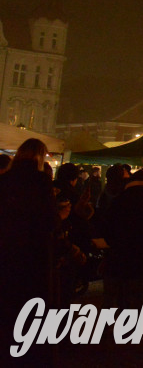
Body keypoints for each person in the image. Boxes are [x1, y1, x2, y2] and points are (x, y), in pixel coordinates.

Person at [0, 138, 58, 366]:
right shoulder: (41, 182)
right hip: (34, 259)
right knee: (33, 313)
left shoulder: (4, 181)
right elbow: (49, 222)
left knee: (7, 310)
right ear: (39, 157)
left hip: (6, 255)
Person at [103, 169, 143, 311]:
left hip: (117, 255)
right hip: (140, 255)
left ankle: (107, 329)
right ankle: (132, 329)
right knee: (137, 296)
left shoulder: (118, 200)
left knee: (116, 296)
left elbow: (107, 227)